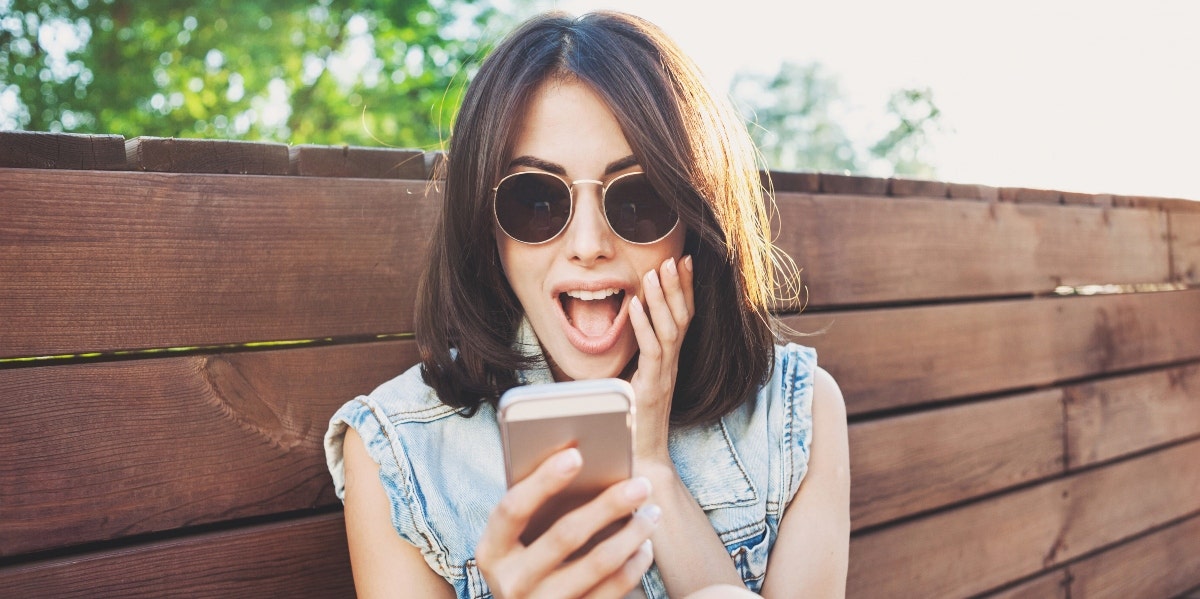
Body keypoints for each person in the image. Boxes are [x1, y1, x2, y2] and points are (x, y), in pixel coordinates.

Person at [324, 10, 850, 599]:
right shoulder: (399, 451)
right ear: (484, 224)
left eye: (639, 198)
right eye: (536, 200)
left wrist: (652, 468)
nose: (589, 246)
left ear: (695, 222)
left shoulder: (795, 411)